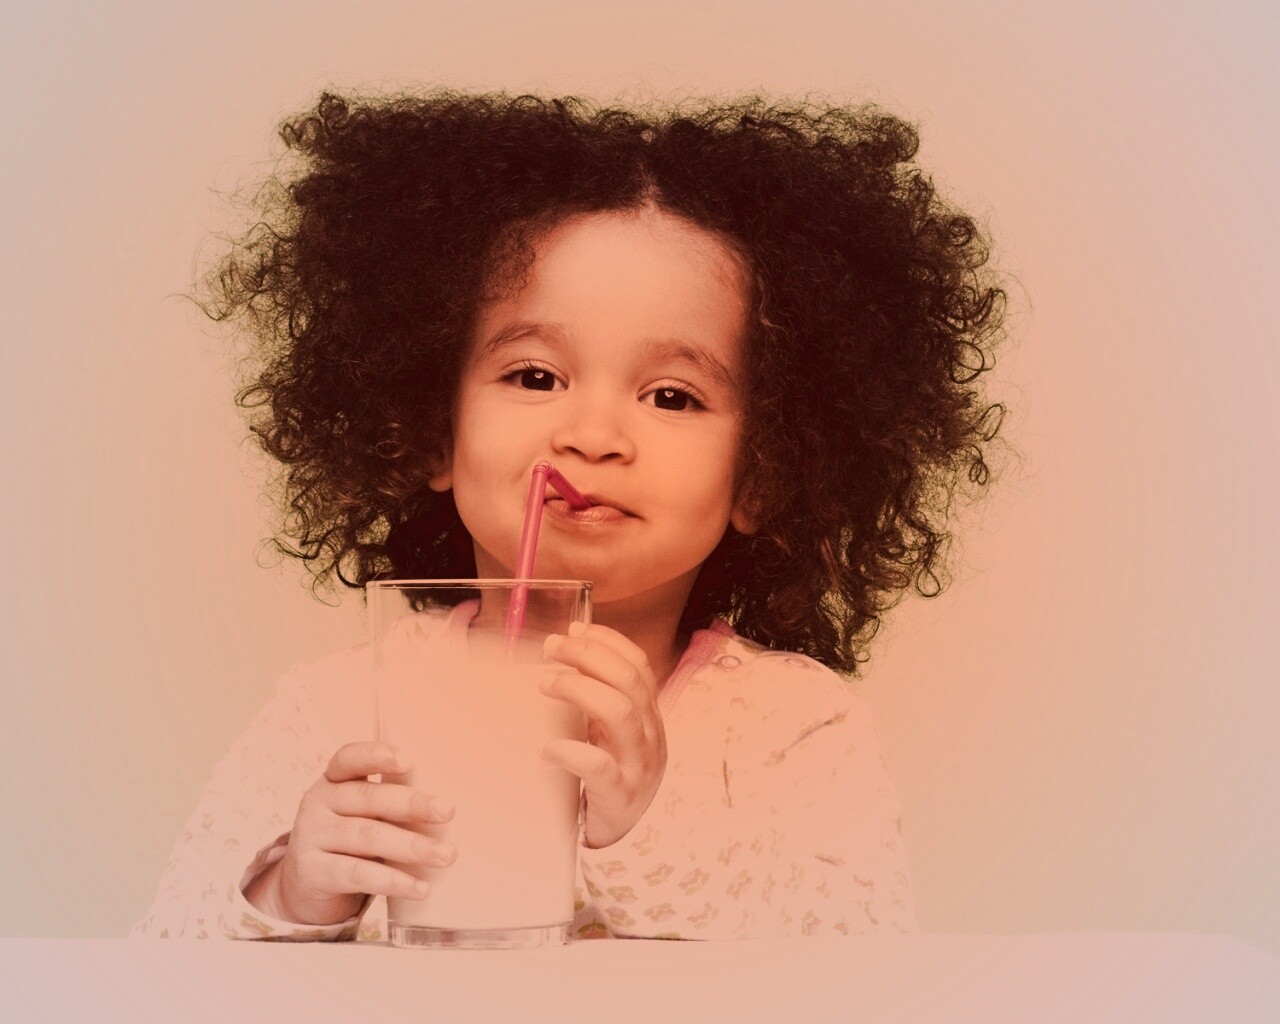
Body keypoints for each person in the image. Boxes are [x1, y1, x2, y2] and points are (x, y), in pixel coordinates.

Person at [132, 88, 1008, 941]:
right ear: (429, 433)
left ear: (764, 474)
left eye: (671, 395)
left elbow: (866, 959)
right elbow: (164, 954)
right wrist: (293, 892)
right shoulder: (339, 707)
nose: (591, 435)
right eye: (535, 376)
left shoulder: (789, 726)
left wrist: (644, 831)